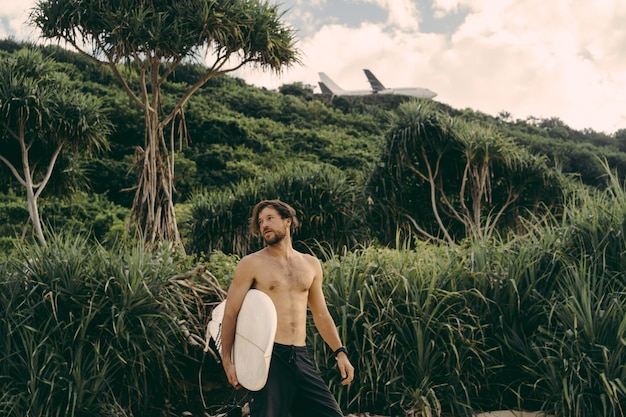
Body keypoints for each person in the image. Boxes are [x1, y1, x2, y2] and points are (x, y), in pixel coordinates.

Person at [220, 199, 355, 417]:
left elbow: (321, 314)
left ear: (288, 221)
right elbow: (230, 313)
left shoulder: (311, 264)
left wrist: (340, 352)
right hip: (269, 357)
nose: (264, 224)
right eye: (261, 221)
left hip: (301, 356)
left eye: (270, 218)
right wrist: (228, 362)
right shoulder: (251, 263)